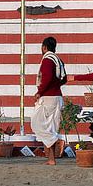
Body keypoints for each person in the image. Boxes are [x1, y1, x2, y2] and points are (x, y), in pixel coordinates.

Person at [33, 36, 67, 165]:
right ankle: (51, 158)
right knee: (51, 128)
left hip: (48, 97)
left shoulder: (47, 60)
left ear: (44, 47)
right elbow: (64, 79)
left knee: (37, 124)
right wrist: (55, 85)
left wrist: (39, 92)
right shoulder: (58, 60)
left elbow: (46, 79)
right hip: (57, 96)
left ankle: (52, 156)